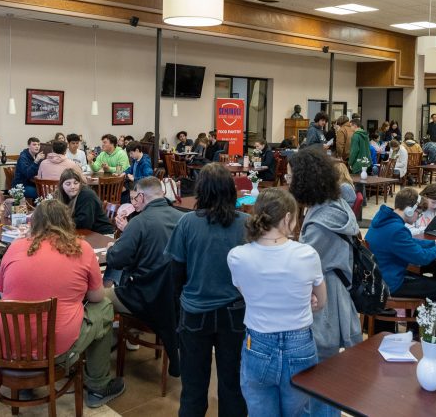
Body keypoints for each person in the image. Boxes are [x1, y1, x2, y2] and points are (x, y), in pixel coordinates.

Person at [0, 200, 124, 408]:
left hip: (9, 345)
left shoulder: (15, 247)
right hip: (55, 349)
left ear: (34, 222)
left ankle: (25, 381)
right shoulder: (81, 248)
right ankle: (98, 386)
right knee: (104, 308)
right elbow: (96, 297)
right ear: (67, 221)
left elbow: (3, 292)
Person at [227, 188, 326, 417]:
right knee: (299, 412)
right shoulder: (307, 254)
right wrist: (305, 298)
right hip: (300, 342)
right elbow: (321, 301)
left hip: (258, 342)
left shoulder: (237, 256)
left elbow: (248, 294)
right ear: (288, 218)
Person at [166, 162, 248, 417]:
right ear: (231, 190)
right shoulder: (247, 223)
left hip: (195, 309)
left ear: (201, 190)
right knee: (232, 384)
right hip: (235, 311)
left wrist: (180, 301)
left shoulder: (187, 223)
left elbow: (175, 272)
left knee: (193, 386)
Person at [286, 148, 360, 416]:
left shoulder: (320, 223)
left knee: (320, 378)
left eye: (290, 176)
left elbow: (303, 264)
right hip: (335, 291)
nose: (286, 179)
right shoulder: (334, 206)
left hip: (324, 301)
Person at [105, 177, 183, 374]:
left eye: (134, 198)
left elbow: (116, 260)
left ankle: (100, 362)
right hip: (179, 299)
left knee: (98, 297)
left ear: (141, 196)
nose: (133, 203)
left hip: (146, 297)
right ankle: (130, 333)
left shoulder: (139, 222)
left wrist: (113, 248)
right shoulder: (183, 219)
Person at [366, 188, 436, 339]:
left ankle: (415, 329)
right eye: (418, 213)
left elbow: (409, 242)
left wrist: (433, 243)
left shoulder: (384, 220)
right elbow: (420, 258)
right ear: (409, 211)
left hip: (380, 276)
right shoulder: (396, 230)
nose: (418, 217)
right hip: (391, 283)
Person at [57, 168, 111, 234]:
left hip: (102, 234)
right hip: (83, 233)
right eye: (68, 184)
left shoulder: (87, 195)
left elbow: (84, 223)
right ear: (62, 185)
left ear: (80, 183)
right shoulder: (62, 195)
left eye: (76, 183)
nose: (72, 186)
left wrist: (60, 222)